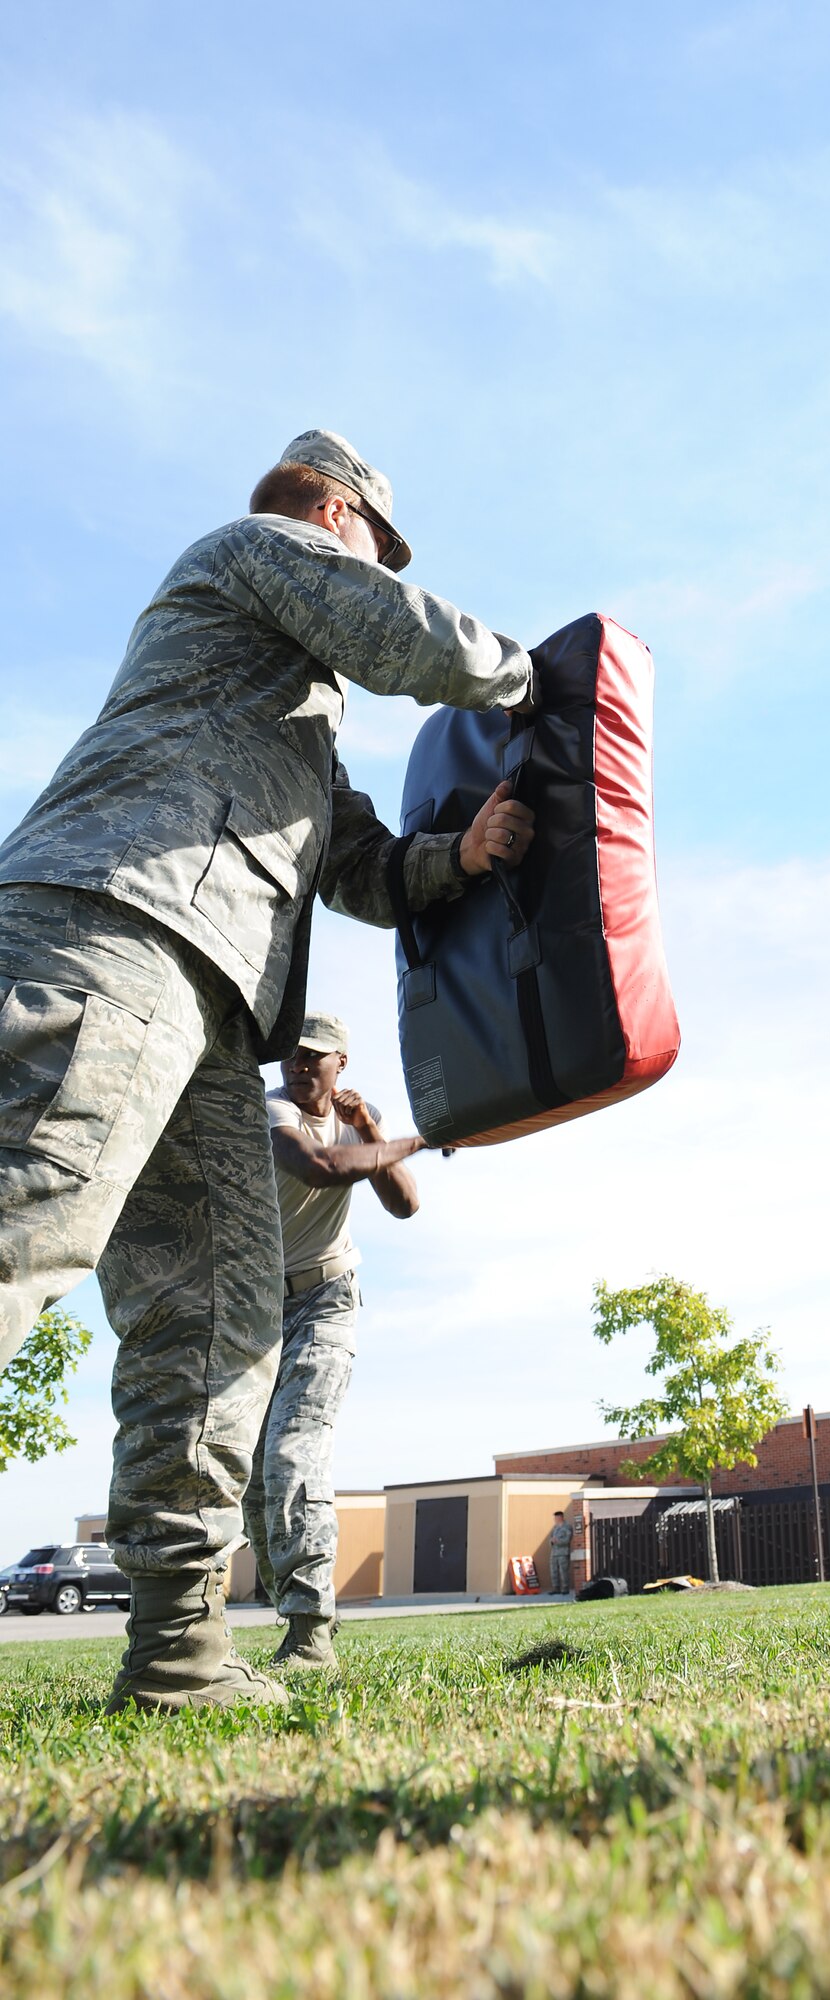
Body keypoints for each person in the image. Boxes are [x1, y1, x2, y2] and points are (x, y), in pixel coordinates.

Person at [0, 429, 535, 1710]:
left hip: (212, 1008)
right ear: (336, 510)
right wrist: (533, 681)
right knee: (18, 1228)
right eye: (372, 541)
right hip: (112, 925)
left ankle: (177, 1653)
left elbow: (351, 861)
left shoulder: (288, 714)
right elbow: (405, 633)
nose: (365, 559)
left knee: (220, 1311)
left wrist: (456, 862)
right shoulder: (258, 550)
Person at [243, 1011, 429, 1670]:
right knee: (253, 1486)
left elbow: (404, 1206)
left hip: (326, 1301)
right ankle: (293, 1614)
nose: (297, 1065)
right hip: (260, 1307)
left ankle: (309, 1630)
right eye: (290, 1054)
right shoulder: (270, 1111)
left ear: (339, 1065)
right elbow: (318, 1167)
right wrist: (413, 1141)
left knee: (293, 1456)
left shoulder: (359, 1120)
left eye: (313, 1056)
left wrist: (375, 1131)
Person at [548, 1510, 573, 1595]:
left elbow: (567, 1540)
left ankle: (565, 1588)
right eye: (554, 1518)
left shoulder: (567, 1527)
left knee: (563, 1571)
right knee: (553, 1571)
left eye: (557, 1517)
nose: (555, 1519)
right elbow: (551, 1538)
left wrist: (557, 1541)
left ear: (561, 1517)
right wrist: (551, 1541)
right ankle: (556, 1588)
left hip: (563, 1553)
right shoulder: (555, 1528)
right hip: (554, 1553)